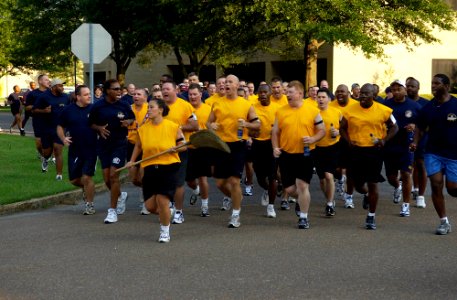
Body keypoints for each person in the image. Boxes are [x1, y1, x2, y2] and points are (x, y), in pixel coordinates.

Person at [340, 83, 398, 230]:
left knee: (373, 183)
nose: (362, 96)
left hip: (374, 151)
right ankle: (365, 194)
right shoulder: (349, 110)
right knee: (357, 184)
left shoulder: (384, 110)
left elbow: (394, 127)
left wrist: (384, 140)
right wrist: (348, 142)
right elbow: (342, 128)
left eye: (366, 94)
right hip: (355, 150)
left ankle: (371, 216)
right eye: (361, 93)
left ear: (374, 95)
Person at [127, 98, 185, 243]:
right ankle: (167, 212)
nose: (149, 110)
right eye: (148, 108)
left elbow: (184, 145)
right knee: (150, 206)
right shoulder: (143, 128)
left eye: (151, 107)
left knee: (162, 198)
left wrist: (176, 148)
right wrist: (132, 161)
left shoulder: (172, 126)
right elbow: (138, 146)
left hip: (169, 166)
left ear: (160, 110)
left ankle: (165, 231)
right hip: (149, 167)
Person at [207, 74, 260, 228]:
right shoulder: (216, 103)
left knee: (234, 180)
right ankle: (236, 198)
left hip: (238, 145)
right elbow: (208, 122)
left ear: (237, 86)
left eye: (230, 82)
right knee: (219, 183)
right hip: (220, 145)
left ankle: (235, 215)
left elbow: (257, 124)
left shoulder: (245, 104)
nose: (226, 84)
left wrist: (247, 125)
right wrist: (212, 127)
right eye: (225, 82)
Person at [272, 80, 326, 229]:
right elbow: (275, 132)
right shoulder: (281, 111)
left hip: (306, 154)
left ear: (300, 94)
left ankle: (303, 217)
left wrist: (313, 139)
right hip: (286, 154)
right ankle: (303, 201)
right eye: (286, 92)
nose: (287, 95)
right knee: (289, 189)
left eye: (290, 92)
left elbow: (322, 130)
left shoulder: (312, 110)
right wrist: (275, 147)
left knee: (302, 185)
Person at [414, 74, 457, 235]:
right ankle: (444, 222)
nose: (433, 86)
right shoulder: (428, 108)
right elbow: (420, 127)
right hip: (433, 152)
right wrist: (415, 142)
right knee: (436, 183)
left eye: (437, 83)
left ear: (446, 86)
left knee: (453, 189)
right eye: (432, 83)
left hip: (454, 154)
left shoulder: (455, 104)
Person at [89, 79, 135, 224]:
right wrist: (99, 128)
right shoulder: (98, 106)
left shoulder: (124, 104)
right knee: (107, 179)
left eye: (120, 89)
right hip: (103, 145)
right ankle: (120, 195)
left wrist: (128, 122)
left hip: (119, 144)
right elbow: (91, 124)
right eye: (115, 89)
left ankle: (112, 211)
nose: (119, 91)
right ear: (107, 90)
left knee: (113, 176)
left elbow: (132, 118)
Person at [57, 85, 98, 215]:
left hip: (91, 149)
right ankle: (88, 188)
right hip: (75, 150)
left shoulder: (94, 109)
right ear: (78, 97)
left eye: (89, 94)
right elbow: (59, 126)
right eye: (86, 94)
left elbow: (103, 124)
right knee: (74, 180)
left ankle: (90, 205)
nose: (89, 96)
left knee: (86, 177)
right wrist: (63, 139)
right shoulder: (68, 110)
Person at [162, 80, 199, 224]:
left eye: (167, 89)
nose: (164, 91)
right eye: (162, 89)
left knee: (178, 182)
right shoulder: (159, 106)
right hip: (163, 149)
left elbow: (195, 125)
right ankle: (169, 205)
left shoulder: (185, 105)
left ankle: (178, 211)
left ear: (175, 90)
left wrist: (177, 128)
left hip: (180, 148)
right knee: (166, 180)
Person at [383, 80, 421, 217]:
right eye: (393, 89)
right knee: (391, 177)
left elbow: (422, 125)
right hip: (390, 145)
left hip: (407, 144)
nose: (396, 91)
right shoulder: (386, 105)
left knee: (406, 174)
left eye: (399, 89)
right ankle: (397, 186)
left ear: (405, 90)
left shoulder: (414, 106)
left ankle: (406, 205)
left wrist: (414, 126)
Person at [251, 84, 280, 217]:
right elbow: (249, 126)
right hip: (257, 144)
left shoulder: (277, 108)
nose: (262, 94)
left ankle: (271, 207)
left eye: (265, 92)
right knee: (260, 178)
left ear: (270, 94)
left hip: (271, 144)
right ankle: (268, 190)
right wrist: (251, 133)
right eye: (260, 92)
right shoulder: (252, 108)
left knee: (272, 176)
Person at [32, 78, 70, 178]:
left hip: (60, 128)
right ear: (53, 87)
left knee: (58, 150)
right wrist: (44, 111)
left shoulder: (66, 97)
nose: (62, 87)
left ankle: (59, 175)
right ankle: (45, 159)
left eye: (62, 85)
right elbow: (34, 110)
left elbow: (70, 110)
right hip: (46, 128)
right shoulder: (44, 97)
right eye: (60, 85)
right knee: (47, 152)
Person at [314, 88, 343, 217]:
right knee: (322, 180)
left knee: (329, 176)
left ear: (329, 99)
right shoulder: (313, 113)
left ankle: (330, 204)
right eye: (318, 97)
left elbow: (343, 128)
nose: (320, 99)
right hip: (317, 148)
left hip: (332, 147)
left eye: (323, 97)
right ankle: (329, 200)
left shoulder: (337, 112)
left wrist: (338, 132)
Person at [186, 83, 213, 217]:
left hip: (203, 148)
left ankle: (205, 206)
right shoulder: (186, 108)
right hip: (188, 147)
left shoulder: (208, 109)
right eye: (190, 94)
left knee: (203, 178)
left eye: (195, 94)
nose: (192, 97)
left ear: (200, 94)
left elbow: (213, 127)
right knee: (189, 180)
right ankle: (196, 190)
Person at [329, 84, 358, 208]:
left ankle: (349, 196)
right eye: (337, 91)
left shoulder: (355, 105)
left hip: (350, 141)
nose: (339, 93)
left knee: (351, 170)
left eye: (342, 91)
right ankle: (340, 179)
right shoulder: (331, 106)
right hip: (335, 141)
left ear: (348, 93)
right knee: (335, 169)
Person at [406, 77, 429, 208]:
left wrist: (416, 127)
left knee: (420, 164)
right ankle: (413, 189)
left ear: (418, 88)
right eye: (408, 86)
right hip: (404, 140)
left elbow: (429, 123)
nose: (409, 88)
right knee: (409, 165)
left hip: (421, 138)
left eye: (412, 86)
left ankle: (420, 196)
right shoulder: (403, 102)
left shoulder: (425, 103)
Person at [126, 88, 149, 214]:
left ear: (145, 97)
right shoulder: (128, 108)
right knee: (134, 179)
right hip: (131, 144)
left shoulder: (149, 109)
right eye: (134, 94)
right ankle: (146, 190)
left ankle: (145, 201)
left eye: (138, 94)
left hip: (146, 146)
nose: (135, 96)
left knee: (143, 175)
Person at [27, 75, 50, 162]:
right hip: (38, 120)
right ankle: (42, 154)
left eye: (49, 80)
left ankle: (47, 157)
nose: (48, 81)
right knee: (39, 143)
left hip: (50, 120)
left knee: (51, 141)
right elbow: (27, 107)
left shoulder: (51, 92)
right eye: (46, 80)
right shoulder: (33, 94)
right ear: (40, 81)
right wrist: (37, 106)